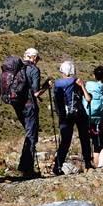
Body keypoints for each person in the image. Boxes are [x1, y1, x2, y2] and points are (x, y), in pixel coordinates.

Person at [52, 61, 93, 174]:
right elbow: (88, 98)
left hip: (64, 116)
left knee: (65, 141)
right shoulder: (77, 82)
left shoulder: (57, 83)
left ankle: (58, 165)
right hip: (79, 113)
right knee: (84, 138)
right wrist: (83, 86)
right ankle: (88, 163)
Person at [12, 47, 48, 178]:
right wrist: (46, 87)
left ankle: (24, 163)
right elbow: (36, 93)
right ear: (33, 57)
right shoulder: (34, 69)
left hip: (17, 105)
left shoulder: (16, 68)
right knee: (31, 135)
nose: (37, 61)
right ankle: (27, 168)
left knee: (29, 133)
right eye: (37, 58)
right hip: (29, 106)